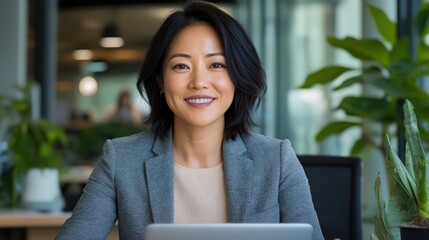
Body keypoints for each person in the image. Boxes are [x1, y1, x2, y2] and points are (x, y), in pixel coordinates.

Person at [56, 1, 324, 240]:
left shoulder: (276, 159)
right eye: (181, 66)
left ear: (237, 76)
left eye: (216, 65)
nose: (199, 82)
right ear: (161, 79)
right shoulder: (121, 160)